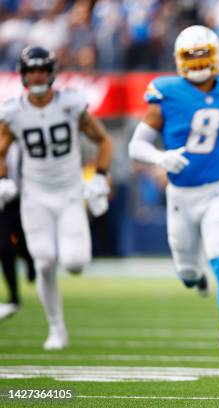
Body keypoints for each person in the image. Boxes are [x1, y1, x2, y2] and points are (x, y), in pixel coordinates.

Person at [128, 25, 219, 364]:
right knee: (187, 273)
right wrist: (160, 157)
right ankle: (195, 276)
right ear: (179, 60)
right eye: (192, 55)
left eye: (204, 54)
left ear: (215, 56)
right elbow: (136, 145)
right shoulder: (166, 92)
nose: (199, 61)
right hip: (180, 196)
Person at [0, 46, 113, 350]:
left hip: (69, 193)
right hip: (34, 196)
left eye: (41, 70)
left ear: (50, 73)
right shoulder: (12, 112)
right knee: (44, 260)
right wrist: (2, 181)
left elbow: (103, 141)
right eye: (31, 70)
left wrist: (100, 176)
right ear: (23, 75)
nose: (36, 75)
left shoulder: (71, 104)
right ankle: (56, 329)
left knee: (75, 263)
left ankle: (69, 265)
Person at [0, 144, 35, 320]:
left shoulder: (25, 140)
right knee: (5, 248)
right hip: (5, 204)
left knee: (25, 242)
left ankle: (31, 261)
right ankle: (14, 296)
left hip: (28, 201)